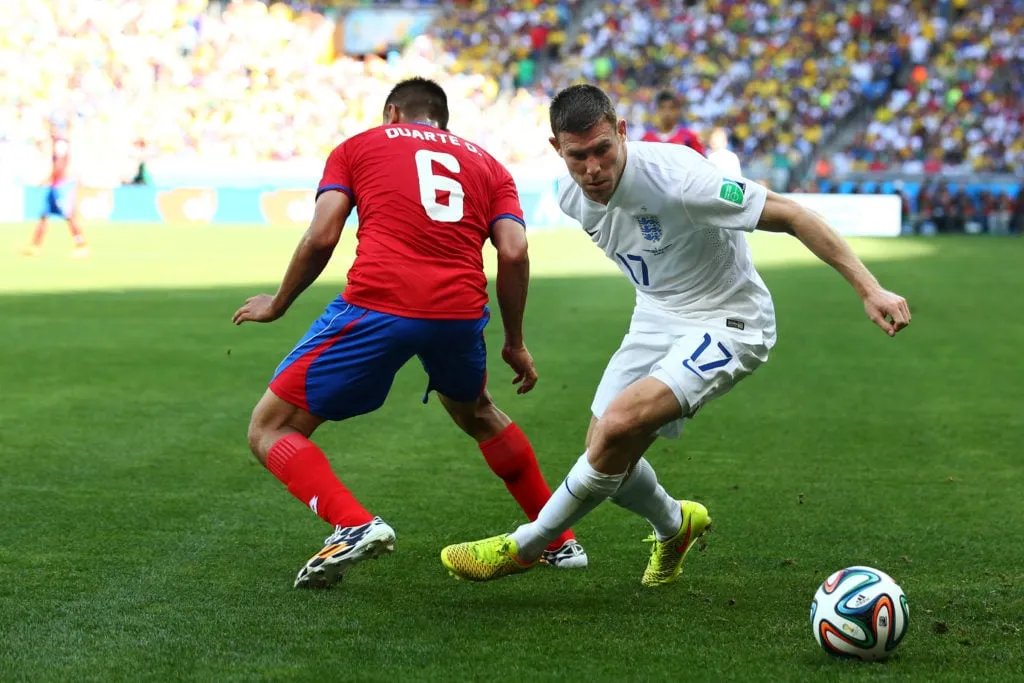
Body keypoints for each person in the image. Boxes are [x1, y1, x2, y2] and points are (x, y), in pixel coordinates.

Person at [441, 84, 911, 586]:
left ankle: (525, 545)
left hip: (730, 321)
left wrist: (870, 287)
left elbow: (793, 214)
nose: (593, 169)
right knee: (607, 456)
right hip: (655, 316)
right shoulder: (569, 196)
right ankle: (675, 525)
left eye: (603, 149)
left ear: (622, 132)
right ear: (557, 150)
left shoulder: (681, 179)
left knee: (619, 426)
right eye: (578, 157)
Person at [232, 78, 587, 589]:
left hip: (378, 304)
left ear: (392, 112)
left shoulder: (358, 146)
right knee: (478, 413)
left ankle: (353, 524)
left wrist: (279, 302)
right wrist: (514, 342)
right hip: (460, 314)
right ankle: (559, 540)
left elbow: (323, 232)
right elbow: (513, 251)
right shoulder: (489, 165)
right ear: (442, 118)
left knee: (269, 428)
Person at [23, 120, 89, 258]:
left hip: (61, 187)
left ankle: (81, 245)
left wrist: (50, 179)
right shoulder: (54, 143)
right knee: (43, 216)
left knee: (69, 216)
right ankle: (35, 246)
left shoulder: (61, 144)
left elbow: (60, 166)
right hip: (53, 186)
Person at [640, 91, 705, 156]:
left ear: (678, 111)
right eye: (662, 108)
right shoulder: (646, 139)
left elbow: (701, 162)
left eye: (671, 108)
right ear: (657, 110)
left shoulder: (689, 137)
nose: (667, 112)